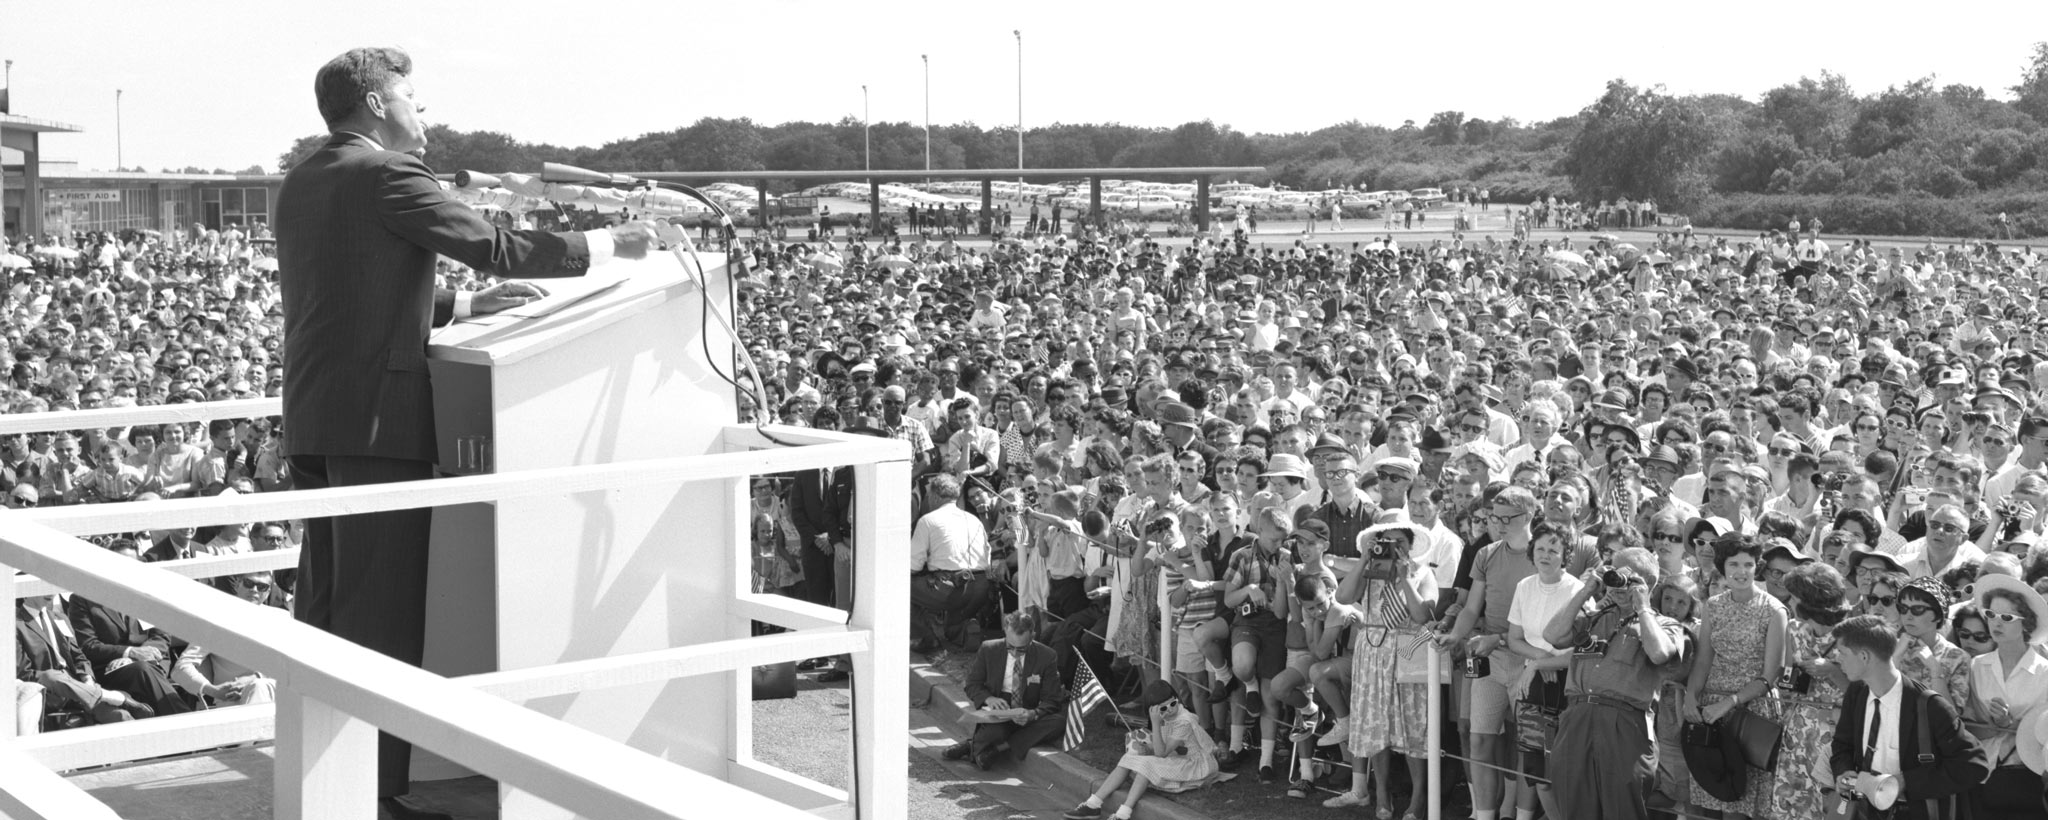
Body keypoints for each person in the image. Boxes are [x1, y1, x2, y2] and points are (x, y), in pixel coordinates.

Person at [277, 46, 655, 816]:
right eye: (414, 97)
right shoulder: (387, 173)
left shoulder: (305, 179)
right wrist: (613, 243)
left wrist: (458, 309)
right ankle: (373, 796)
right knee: (377, 620)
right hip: (379, 426)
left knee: (326, 609)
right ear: (379, 105)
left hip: (319, 418)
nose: (426, 113)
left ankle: (326, 780)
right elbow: (498, 246)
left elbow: (350, 289)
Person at [1540, 545, 1684, 820]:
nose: (1616, 581)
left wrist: (1643, 607)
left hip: (1625, 725)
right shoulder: (1595, 618)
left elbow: (1659, 653)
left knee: (1622, 811)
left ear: (1646, 584)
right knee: (1574, 806)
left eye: (1625, 576)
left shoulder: (1665, 624)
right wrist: (1586, 590)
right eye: (1612, 572)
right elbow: (1553, 635)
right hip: (1577, 719)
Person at [1829, 614, 1990, 820]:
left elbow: (1974, 764)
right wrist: (1844, 771)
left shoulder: (1929, 705)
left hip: (1913, 812)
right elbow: (1842, 744)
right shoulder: (1857, 692)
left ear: (1864, 657)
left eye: (1842, 652)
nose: (1837, 659)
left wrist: (1905, 782)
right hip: (1865, 810)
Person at [1683, 535, 1789, 820]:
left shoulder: (1774, 610)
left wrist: (1729, 703)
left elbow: (1771, 675)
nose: (1741, 571)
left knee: (1742, 808)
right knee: (1715, 804)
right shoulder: (1713, 606)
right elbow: (1703, 659)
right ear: (1722, 566)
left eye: (1748, 564)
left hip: (1751, 712)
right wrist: (1691, 697)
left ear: (1757, 567)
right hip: (1712, 712)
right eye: (1734, 564)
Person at [1064, 679, 1219, 819]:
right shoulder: (1166, 718)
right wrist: (1145, 748)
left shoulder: (1183, 721)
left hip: (1195, 764)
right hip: (1177, 758)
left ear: (1177, 699)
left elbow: (1161, 753)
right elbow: (1163, 747)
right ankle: (1093, 804)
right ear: (1154, 710)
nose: (1170, 710)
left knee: (1146, 766)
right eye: (1163, 708)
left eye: (1173, 704)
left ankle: (1124, 813)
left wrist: (1156, 724)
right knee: (1128, 759)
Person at [1963, 574, 2048, 818]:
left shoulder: (2045, 672)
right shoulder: (1976, 665)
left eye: (2007, 618)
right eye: (1991, 615)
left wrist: (2013, 725)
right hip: (1982, 775)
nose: (1996, 623)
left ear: (2027, 623)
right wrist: (1994, 724)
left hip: (2028, 778)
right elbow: (1966, 725)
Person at [946, 611, 1068, 771]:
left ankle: (995, 748)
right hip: (999, 710)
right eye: (1010, 647)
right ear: (1005, 632)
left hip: (1028, 710)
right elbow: (972, 684)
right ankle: (978, 746)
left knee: (1058, 721)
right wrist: (989, 699)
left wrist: (1034, 714)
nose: (1015, 654)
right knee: (995, 733)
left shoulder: (1047, 656)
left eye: (1022, 649)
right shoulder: (989, 649)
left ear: (1033, 635)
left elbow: (1052, 699)